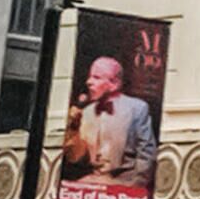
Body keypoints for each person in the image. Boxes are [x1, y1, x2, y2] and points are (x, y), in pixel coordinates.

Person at [63, 55, 155, 183]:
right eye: (90, 77)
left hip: (124, 183)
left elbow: (146, 153)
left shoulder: (136, 108)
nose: (88, 82)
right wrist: (73, 130)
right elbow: (75, 158)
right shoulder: (87, 112)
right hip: (92, 182)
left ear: (114, 84)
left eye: (96, 77)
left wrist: (135, 187)